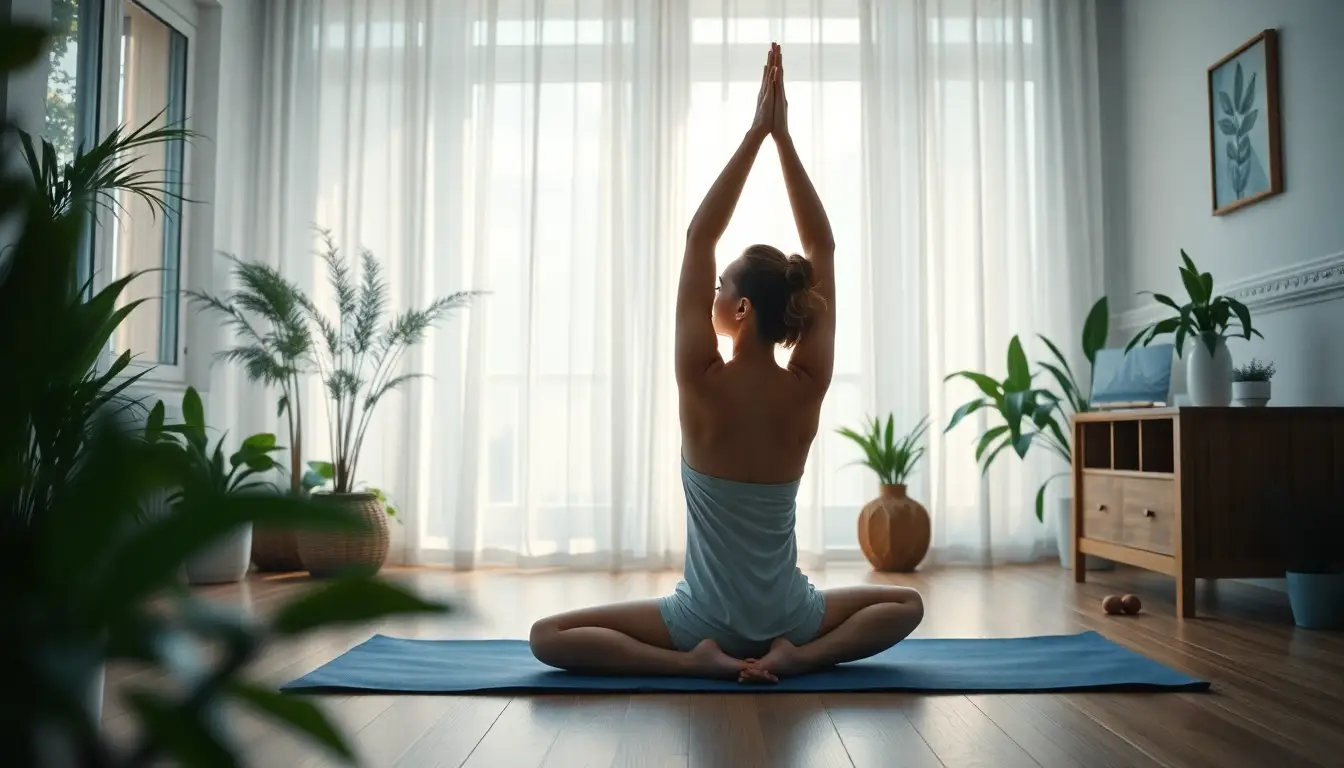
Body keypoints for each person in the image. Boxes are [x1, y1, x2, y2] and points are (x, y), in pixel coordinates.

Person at [529, 43, 923, 683]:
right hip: (787, 616)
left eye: (720, 292)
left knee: (547, 637)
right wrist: (784, 141)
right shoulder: (807, 386)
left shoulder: (699, 381)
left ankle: (696, 665)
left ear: (740, 310)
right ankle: (798, 660)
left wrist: (755, 134)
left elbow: (698, 238)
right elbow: (821, 244)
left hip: (701, 619)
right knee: (908, 604)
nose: (711, 296)